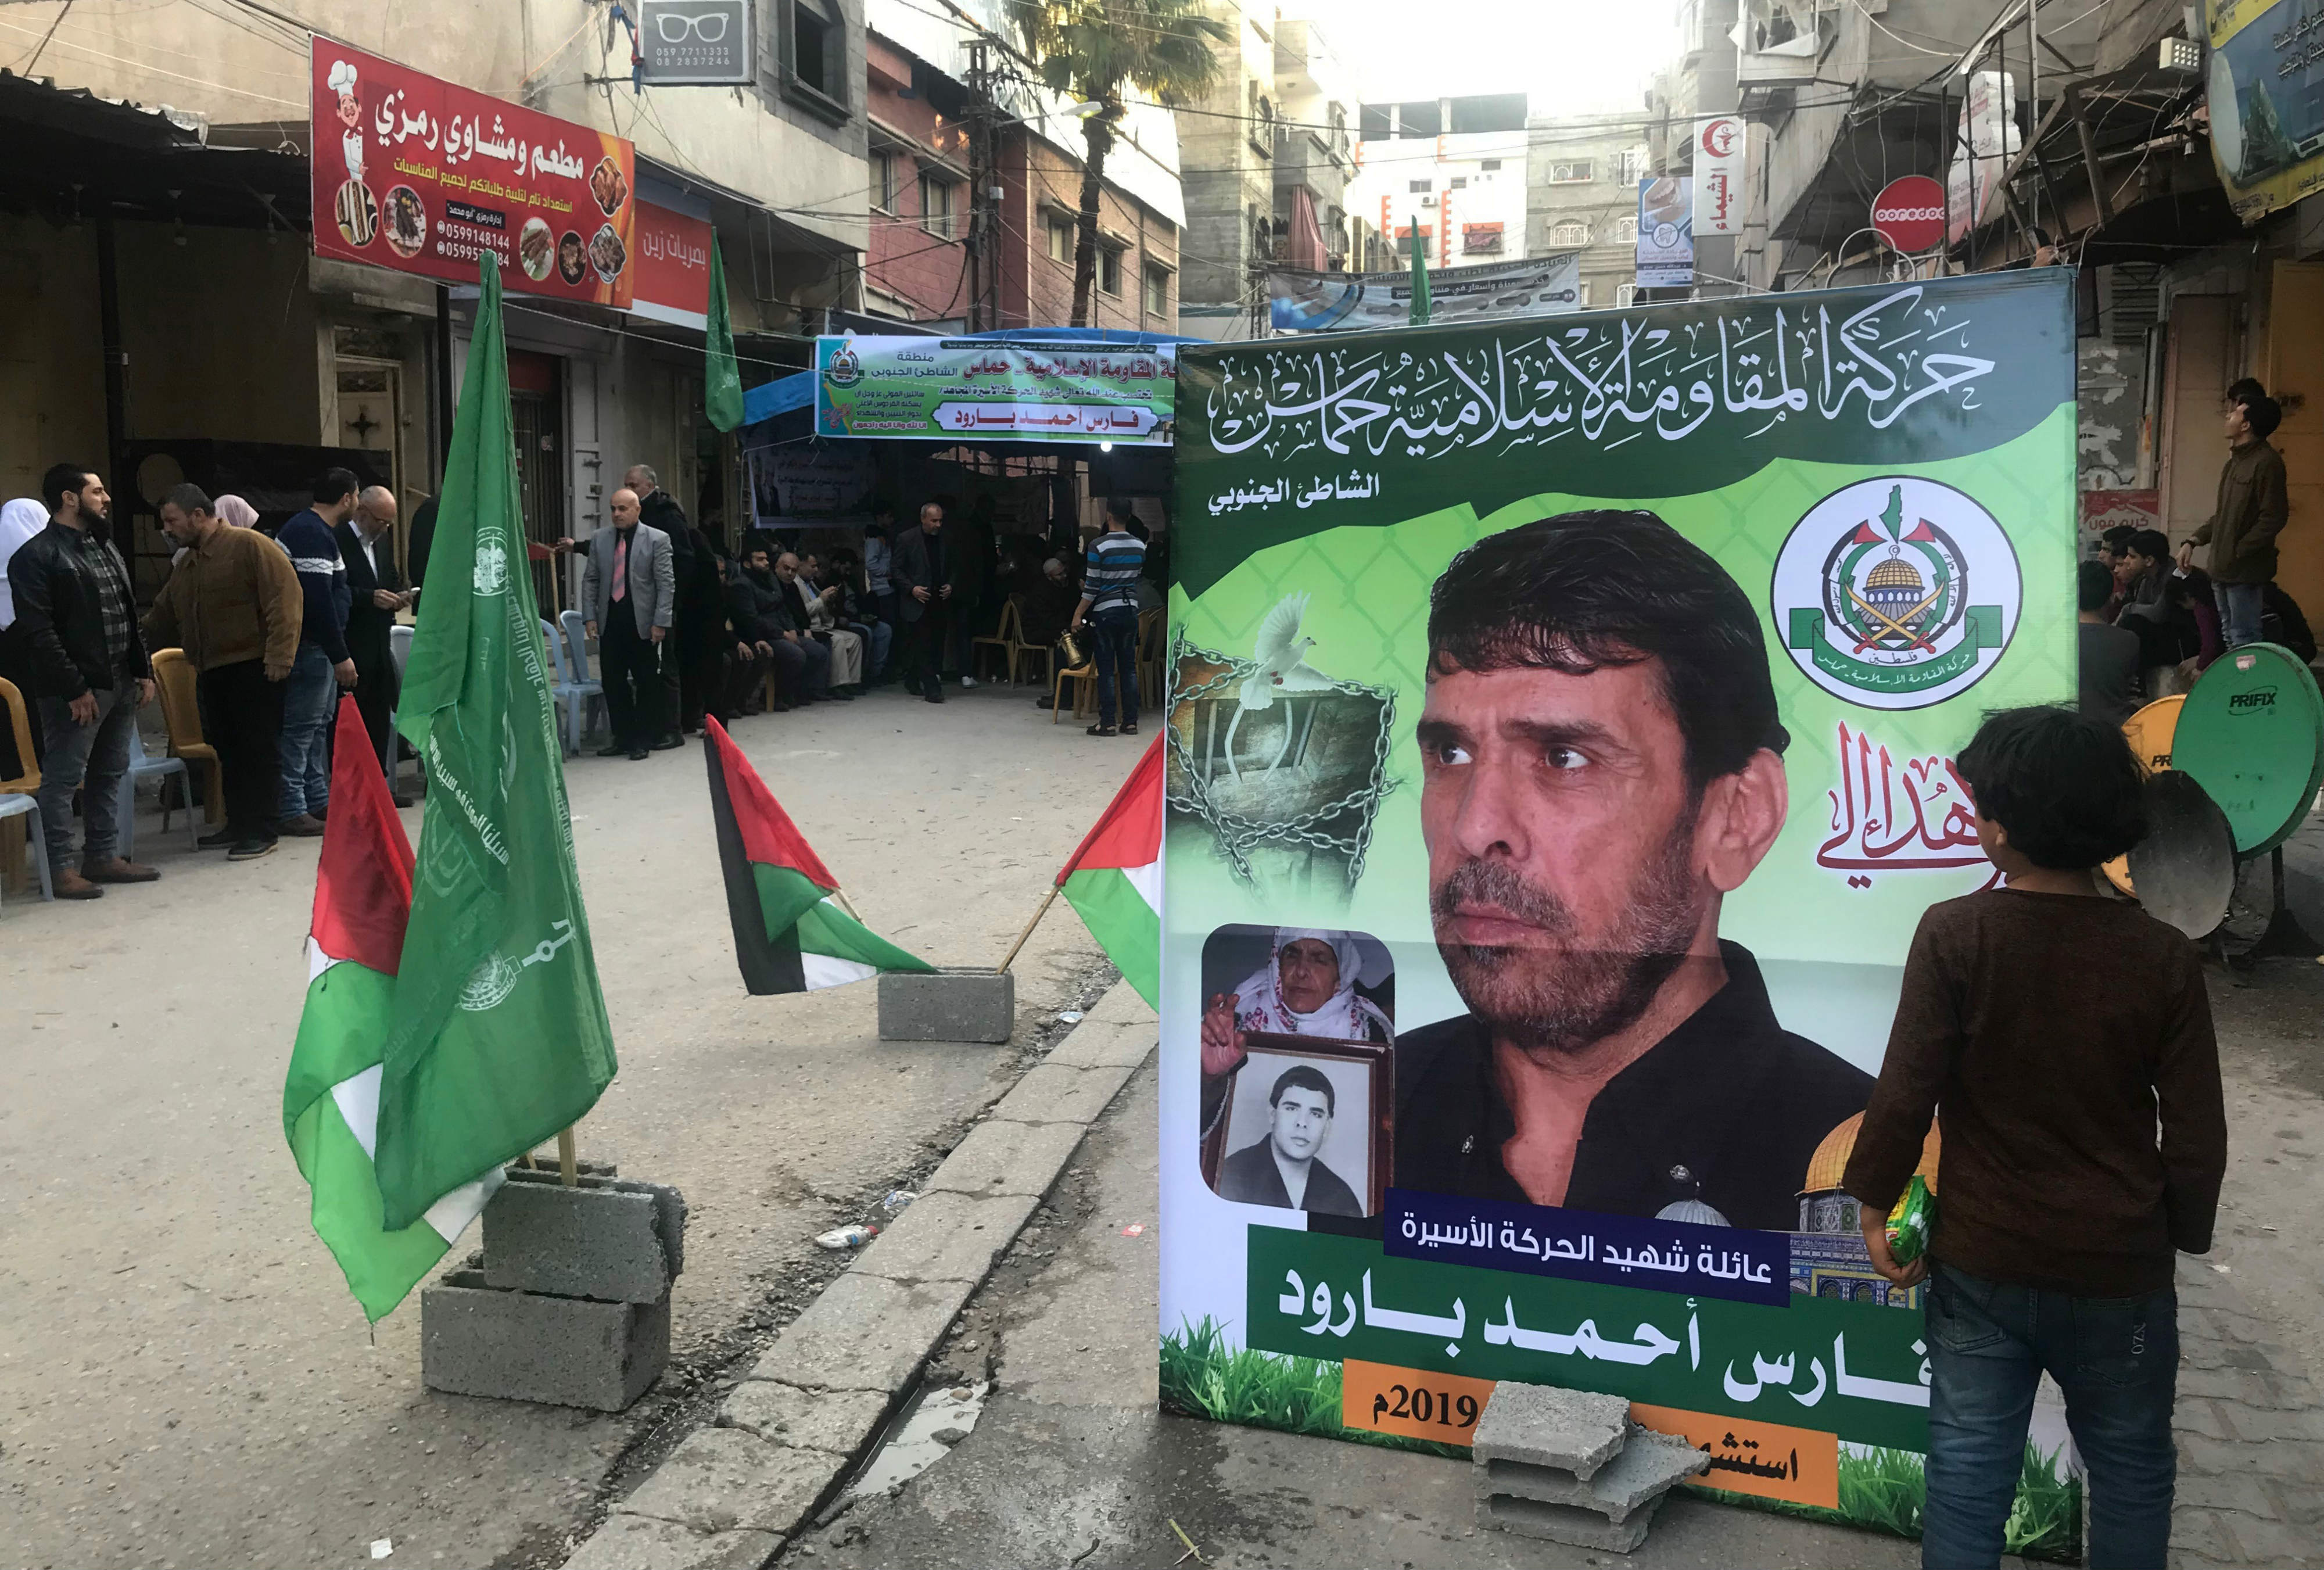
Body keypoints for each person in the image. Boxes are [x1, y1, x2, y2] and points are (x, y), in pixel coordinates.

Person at [1393, 511, 1870, 1228]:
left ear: (1736, 816)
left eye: (1563, 756)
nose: (1474, 827)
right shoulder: (1362, 1114)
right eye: (1451, 754)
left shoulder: (1863, 1165)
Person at [1848, 705, 2225, 1570]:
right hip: (2119, 1273)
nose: (1975, 821)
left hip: (1982, 1267)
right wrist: (2175, 1234)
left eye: (1980, 807)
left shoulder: (1957, 932)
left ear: (2004, 830)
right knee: (2131, 1470)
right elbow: (2198, 1131)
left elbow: (1906, 1093)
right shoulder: (2164, 956)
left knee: (1970, 1471)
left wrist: (1874, 1208)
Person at [7, 464, 157, 897]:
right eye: (97, 491)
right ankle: (60, 869)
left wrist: (142, 669)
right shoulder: (36, 557)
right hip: (76, 690)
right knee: (63, 778)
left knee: (110, 771)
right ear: (69, 499)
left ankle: (102, 855)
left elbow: (127, 613)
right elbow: (40, 631)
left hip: (120, 681)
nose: (106, 498)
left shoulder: (103, 546)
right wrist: (74, 688)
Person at [144, 483, 303, 861]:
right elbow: (163, 615)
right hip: (213, 671)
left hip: (254, 667)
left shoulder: (251, 547)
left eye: (172, 521)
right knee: (228, 752)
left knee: (258, 751)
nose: (167, 530)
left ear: (198, 516)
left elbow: (286, 600)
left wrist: (280, 657)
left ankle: (263, 830)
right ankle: (238, 824)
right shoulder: (189, 563)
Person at [274, 471, 360, 834]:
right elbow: (317, 600)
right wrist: (340, 654)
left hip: (319, 647)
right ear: (346, 498)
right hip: (311, 646)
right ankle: (291, 805)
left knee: (318, 724)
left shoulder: (318, 532)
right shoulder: (311, 533)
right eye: (356, 496)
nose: (356, 502)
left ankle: (316, 798)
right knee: (301, 727)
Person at [2179, 393, 2288, 650]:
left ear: (2246, 425)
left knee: (2245, 637)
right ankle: (2239, 685)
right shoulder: (2235, 463)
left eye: (2235, 413)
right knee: (2229, 635)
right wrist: (2193, 540)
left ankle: (2249, 685)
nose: (2228, 417)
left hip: (2245, 570)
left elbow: (2274, 517)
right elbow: (2224, 516)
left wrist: (2240, 550)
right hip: (2222, 568)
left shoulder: (2267, 462)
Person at [582, 488, 675, 760]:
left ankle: (642, 739)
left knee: (646, 682)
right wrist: (590, 616)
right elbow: (591, 580)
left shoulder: (657, 539)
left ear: (637, 510)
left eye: (623, 509)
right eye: (613, 509)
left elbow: (666, 584)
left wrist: (661, 622)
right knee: (613, 681)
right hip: (611, 621)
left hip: (643, 622)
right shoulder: (601, 539)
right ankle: (621, 737)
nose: (617, 514)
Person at [336, 486, 411, 804]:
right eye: (381, 520)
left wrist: (399, 597)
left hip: (380, 642)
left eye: (389, 523)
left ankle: (379, 789)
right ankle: (352, 792)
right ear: (362, 512)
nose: (385, 528)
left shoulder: (381, 544)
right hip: (353, 642)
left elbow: (389, 580)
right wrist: (369, 598)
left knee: (380, 718)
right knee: (354, 723)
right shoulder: (339, 541)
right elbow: (334, 590)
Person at [1215, 1064, 1366, 1217]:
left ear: (1327, 1127)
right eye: (1292, 1109)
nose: (1302, 1123)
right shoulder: (1231, 1174)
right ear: (1272, 1114)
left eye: (1316, 1114)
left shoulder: (1341, 1196)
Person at [626, 463, 698, 744]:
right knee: (645, 667)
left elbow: (682, 560)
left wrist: (669, 603)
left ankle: (672, 729)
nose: (628, 491)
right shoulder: (634, 514)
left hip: (662, 603)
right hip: (637, 602)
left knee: (666, 666)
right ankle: (649, 726)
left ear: (649, 486)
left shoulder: (666, 515)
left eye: (633, 485)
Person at [1069, 497, 1146, 739]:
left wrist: (1078, 614)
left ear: (1108, 515)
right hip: (1130, 610)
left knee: (1106, 669)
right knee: (1128, 669)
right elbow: (1135, 578)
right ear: (1130, 517)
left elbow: (1092, 586)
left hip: (1105, 613)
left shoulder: (1098, 546)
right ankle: (1131, 722)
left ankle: (1108, 722)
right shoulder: (1140, 546)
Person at [729, 544, 830, 708]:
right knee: (797, 655)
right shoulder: (742, 585)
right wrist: (783, 633)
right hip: (763, 634)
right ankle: (776, 695)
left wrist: (791, 630)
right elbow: (753, 619)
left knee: (819, 652)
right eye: (759, 560)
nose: (765, 563)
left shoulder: (770, 580)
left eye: (766, 559)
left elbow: (783, 609)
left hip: (783, 630)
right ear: (748, 563)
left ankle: (795, 691)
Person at [0, 494, 51, 777]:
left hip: (6, 656)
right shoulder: (43, 558)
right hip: (37, 651)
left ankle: (16, 808)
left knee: (9, 729)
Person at [891, 501, 960, 703]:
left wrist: (951, 585)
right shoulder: (907, 539)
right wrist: (911, 588)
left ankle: (912, 679)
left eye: (940, 521)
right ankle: (933, 689)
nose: (938, 525)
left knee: (935, 644)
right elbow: (896, 569)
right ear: (923, 519)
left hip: (939, 600)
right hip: (917, 600)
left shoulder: (946, 539)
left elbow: (954, 566)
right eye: (934, 521)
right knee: (923, 644)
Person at [778, 552, 860, 697]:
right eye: (813, 566)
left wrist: (829, 600)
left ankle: (851, 682)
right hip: (811, 627)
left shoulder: (810, 583)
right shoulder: (795, 584)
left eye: (793, 570)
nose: (816, 570)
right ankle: (835, 685)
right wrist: (822, 600)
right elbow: (804, 612)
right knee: (837, 641)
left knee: (855, 639)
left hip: (823, 624)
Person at [2077, 560, 2142, 723]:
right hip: (2116, 729)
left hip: (2070, 726)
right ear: (2111, 598)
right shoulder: (2129, 640)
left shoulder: (2058, 640)